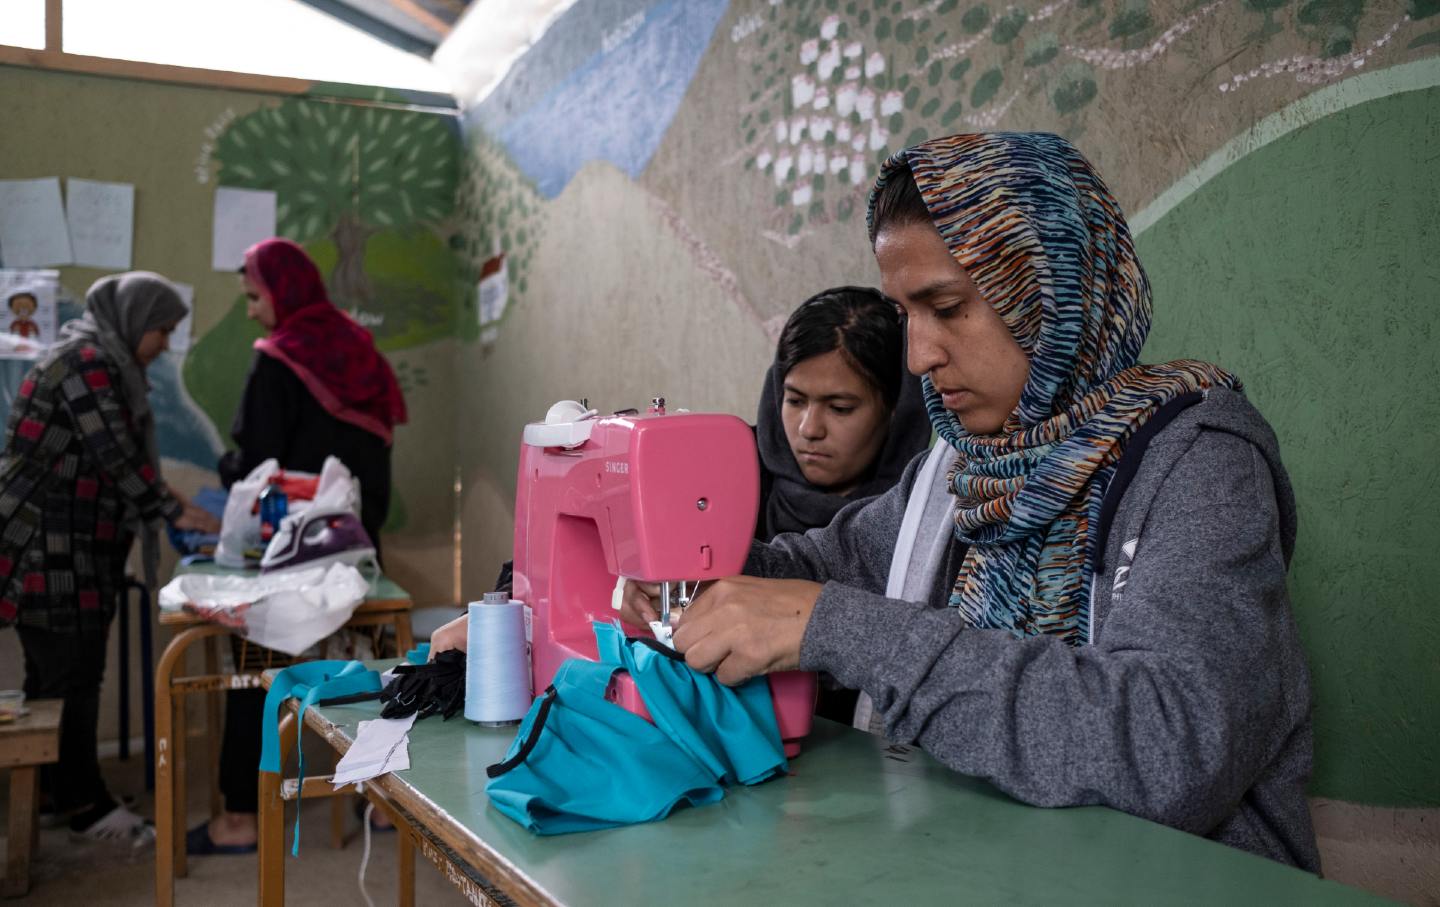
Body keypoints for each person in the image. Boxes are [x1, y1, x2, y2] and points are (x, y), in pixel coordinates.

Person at [621, 133, 1320, 871]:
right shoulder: (960, 471)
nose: (919, 355)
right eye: (906, 316)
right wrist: (678, 564)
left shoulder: (1201, 465)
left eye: (948, 307)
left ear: (1050, 289)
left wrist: (836, 626)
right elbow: (825, 563)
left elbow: (1168, 748)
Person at [195, 237, 407, 854]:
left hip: (292, 554)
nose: (253, 311)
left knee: (256, 672)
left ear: (281, 292)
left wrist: (227, 466)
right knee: (373, 672)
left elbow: (257, 463)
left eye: (254, 297)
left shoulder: (278, 361)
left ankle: (240, 815)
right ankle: (390, 802)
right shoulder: (358, 349)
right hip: (359, 548)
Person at [0, 272, 218, 842]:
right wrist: (177, 514)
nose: (165, 343)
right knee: (72, 676)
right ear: (134, 319)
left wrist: (180, 506)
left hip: (66, 545)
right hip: (51, 546)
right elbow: (118, 457)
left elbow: (120, 461)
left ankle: (50, 791)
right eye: (162, 330)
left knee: (52, 678)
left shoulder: (101, 361)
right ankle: (85, 805)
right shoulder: (86, 364)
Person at [754, 285, 929, 542]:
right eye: (795, 401)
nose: (810, 429)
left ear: (895, 410)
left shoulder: (927, 513)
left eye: (840, 408)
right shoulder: (728, 483)